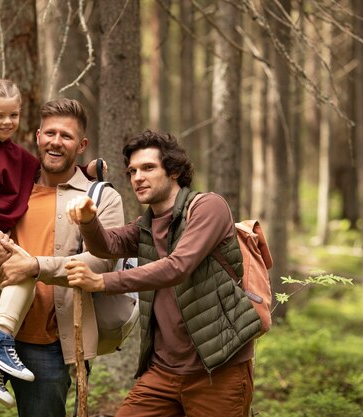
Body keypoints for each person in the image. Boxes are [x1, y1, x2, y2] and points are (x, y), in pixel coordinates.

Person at [0, 97, 125, 417]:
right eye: (50, 133)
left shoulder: (100, 196)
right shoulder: (9, 185)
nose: (56, 142)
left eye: (66, 136)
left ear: (81, 145)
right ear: (38, 136)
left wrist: (35, 266)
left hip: (50, 344)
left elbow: (101, 261)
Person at [65, 129, 262, 417]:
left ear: (173, 171)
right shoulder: (146, 225)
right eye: (132, 171)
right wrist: (88, 221)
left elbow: (177, 266)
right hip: (162, 372)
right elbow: (106, 245)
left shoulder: (208, 207)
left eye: (148, 168)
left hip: (218, 368)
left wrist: (101, 282)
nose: (137, 178)